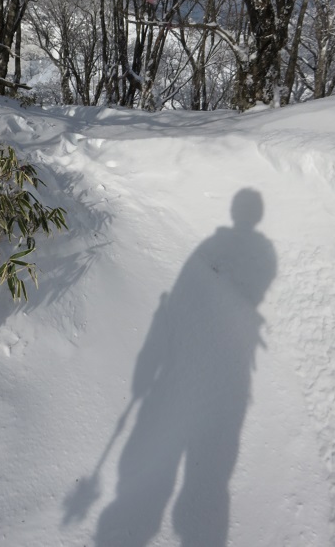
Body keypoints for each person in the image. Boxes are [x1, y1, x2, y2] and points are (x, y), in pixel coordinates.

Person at [95, 188, 277, 547]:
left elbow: (183, 298)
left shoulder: (234, 246)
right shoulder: (263, 249)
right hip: (233, 371)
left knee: (205, 473)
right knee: (211, 475)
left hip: (228, 367)